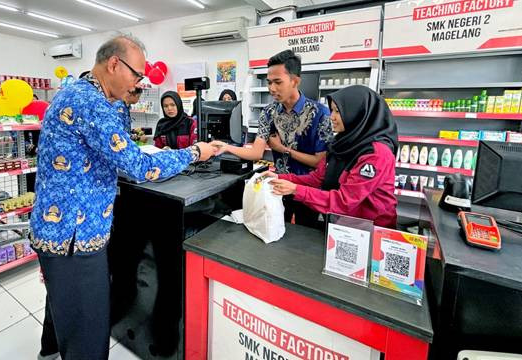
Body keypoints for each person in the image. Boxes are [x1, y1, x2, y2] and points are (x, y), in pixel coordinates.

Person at [30, 34, 215, 360]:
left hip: (61, 231)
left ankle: (50, 352)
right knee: (89, 333)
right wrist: (195, 152)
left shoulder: (80, 93)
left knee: (66, 314)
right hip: (75, 235)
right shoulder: (91, 104)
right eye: (136, 74)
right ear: (114, 63)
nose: (139, 82)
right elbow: (139, 165)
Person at [212, 50, 332, 228]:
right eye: (269, 82)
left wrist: (283, 149)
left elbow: (318, 162)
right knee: (275, 233)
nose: (272, 88)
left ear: (295, 81)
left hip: (307, 190)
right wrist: (226, 147)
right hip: (277, 186)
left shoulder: (320, 113)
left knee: (305, 240)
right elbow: (255, 152)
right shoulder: (269, 112)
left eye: (278, 82)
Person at [266, 85, 398, 228]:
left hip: (371, 231)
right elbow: (317, 178)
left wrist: (295, 189)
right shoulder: (341, 143)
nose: (331, 117)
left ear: (357, 113)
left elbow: (344, 201)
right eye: (332, 110)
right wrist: (279, 178)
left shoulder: (377, 154)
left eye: (338, 111)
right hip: (343, 226)